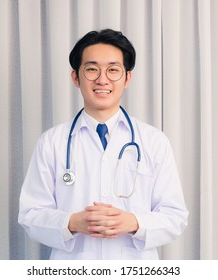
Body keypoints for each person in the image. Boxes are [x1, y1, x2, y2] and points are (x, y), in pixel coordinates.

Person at [18, 29, 188, 260]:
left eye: (113, 70)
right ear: (76, 78)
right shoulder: (52, 142)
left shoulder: (154, 141)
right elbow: (30, 215)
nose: (102, 79)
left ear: (127, 78)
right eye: (91, 69)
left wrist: (134, 222)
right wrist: (72, 222)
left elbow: (175, 216)